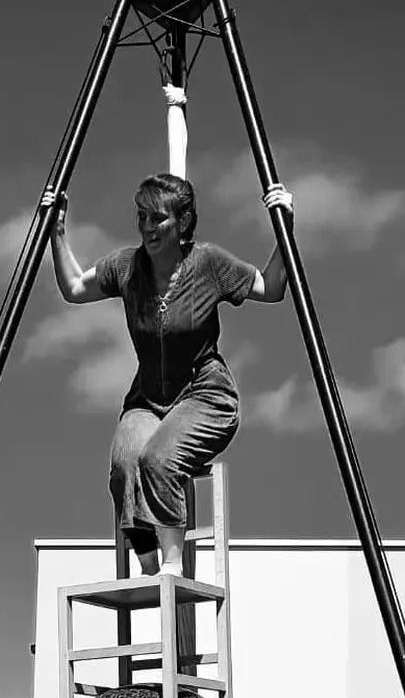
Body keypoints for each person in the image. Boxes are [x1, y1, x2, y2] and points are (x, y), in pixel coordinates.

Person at [42, 169, 294, 575]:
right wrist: (56, 232)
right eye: (141, 217)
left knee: (159, 457)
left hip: (205, 395)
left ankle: (172, 567)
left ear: (183, 221)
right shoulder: (127, 267)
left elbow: (271, 288)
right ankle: (147, 565)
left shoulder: (208, 262)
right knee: (125, 463)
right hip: (148, 398)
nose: (147, 227)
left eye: (157, 218)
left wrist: (285, 230)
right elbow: (73, 289)